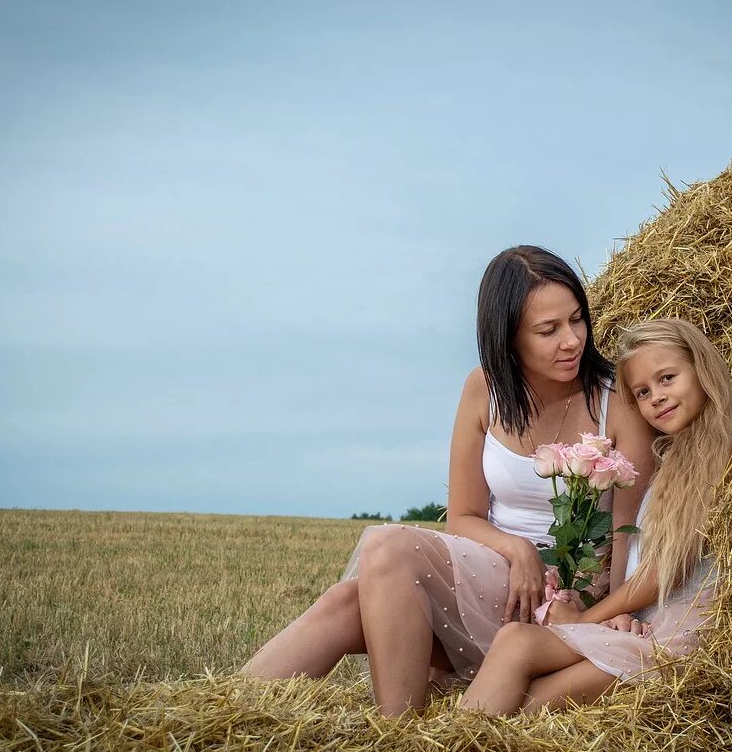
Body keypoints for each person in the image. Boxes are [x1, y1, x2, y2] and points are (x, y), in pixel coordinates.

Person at [241, 245, 655, 716]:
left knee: (374, 565)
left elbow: (629, 530)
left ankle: (395, 734)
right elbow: (462, 516)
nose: (571, 340)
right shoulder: (484, 389)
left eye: (576, 320)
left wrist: (619, 609)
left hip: (574, 593)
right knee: (354, 590)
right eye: (548, 330)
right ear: (508, 338)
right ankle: (223, 710)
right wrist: (517, 549)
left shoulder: (614, 400)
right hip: (499, 572)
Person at [458, 318, 732, 715]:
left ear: (703, 372)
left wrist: (587, 619)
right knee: (514, 641)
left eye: (668, 378)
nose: (656, 397)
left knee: (530, 704)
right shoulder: (668, 459)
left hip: (676, 639)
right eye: (642, 392)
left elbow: (663, 573)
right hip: (639, 624)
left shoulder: (721, 461)